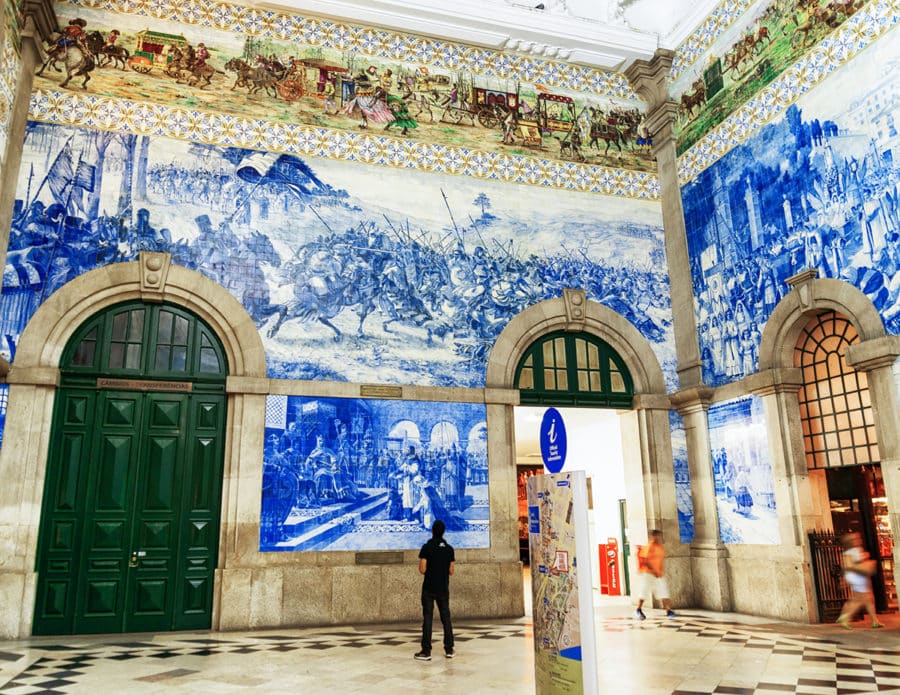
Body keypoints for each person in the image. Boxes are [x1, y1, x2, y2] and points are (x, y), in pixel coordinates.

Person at [415, 519, 455, 661]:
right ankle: (449, 649)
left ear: (432, 531)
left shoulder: (427, 547)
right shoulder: (449, 549)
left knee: (428, 619)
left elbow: (422, 569)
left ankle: (426, 651)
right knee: (446, 619)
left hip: (429, 588)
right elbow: (451, 571)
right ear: (443, 532)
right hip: (443, 588)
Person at [836, 532, 884, 629]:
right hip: (859, 577)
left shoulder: (846, 552)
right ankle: (845, 617)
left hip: (853, 577)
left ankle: (875, 621)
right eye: (856, 539)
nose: (859, 540)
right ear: (852, 542)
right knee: (859, 600)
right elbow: (859, 564)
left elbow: (846, 567)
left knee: (868, 599)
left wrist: (844, 579)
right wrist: (866, 556)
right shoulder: (856, 550)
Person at [635, 529, 675, 619]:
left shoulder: (660, 547)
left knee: (663, 590)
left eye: (659, 535)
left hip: (658, 573)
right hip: (648, 573)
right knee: (644, 591)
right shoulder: (649, 546)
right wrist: (653, 570)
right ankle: (638, 609)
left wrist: (659, 571)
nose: (658, 537)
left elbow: (660, 560)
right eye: (656, 535)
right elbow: (645, 560)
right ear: (652, 536)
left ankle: (668, 610)